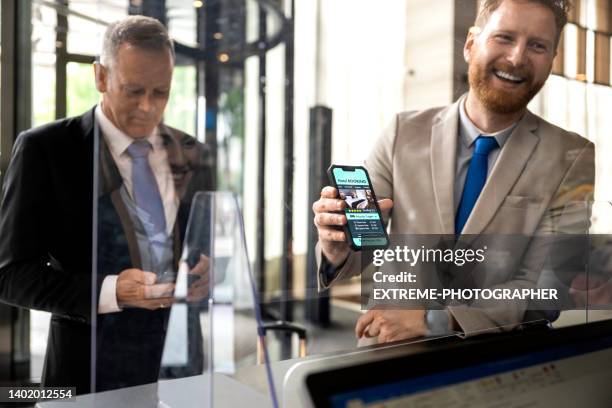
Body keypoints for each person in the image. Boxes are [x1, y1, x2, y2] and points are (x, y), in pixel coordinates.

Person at [313, 0, 595, 344]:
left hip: (500, 359)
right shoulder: (403, 132)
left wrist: (439, 321)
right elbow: (363, 246)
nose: (518, 58)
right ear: (470, 44)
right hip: (389, 350)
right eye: (504, 37)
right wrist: (335, 248)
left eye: (537, 45)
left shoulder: (572, 155)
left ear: (551, 60)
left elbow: (547, 288)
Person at [0, 16, 207, 393]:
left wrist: (208, 274)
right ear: (99, 76)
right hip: (88, 374)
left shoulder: (190, 150)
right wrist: (110, 290)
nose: (148, 107)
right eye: (133, 90)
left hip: (182, 372)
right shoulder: (45, 150)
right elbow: (10, 275)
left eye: (161, 92)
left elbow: (200, 247)